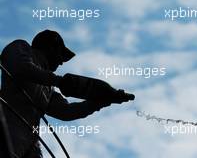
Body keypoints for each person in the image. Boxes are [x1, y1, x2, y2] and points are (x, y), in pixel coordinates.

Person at [0, 30, 135, 158]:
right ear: (51, 48)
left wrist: (100, 101)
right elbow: (21, 68)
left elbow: (66, 111)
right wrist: (60, 81)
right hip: (6, 133)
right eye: (61, 55)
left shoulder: (47, 89)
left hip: (26, 147)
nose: (61, 62)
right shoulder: (21, 47)